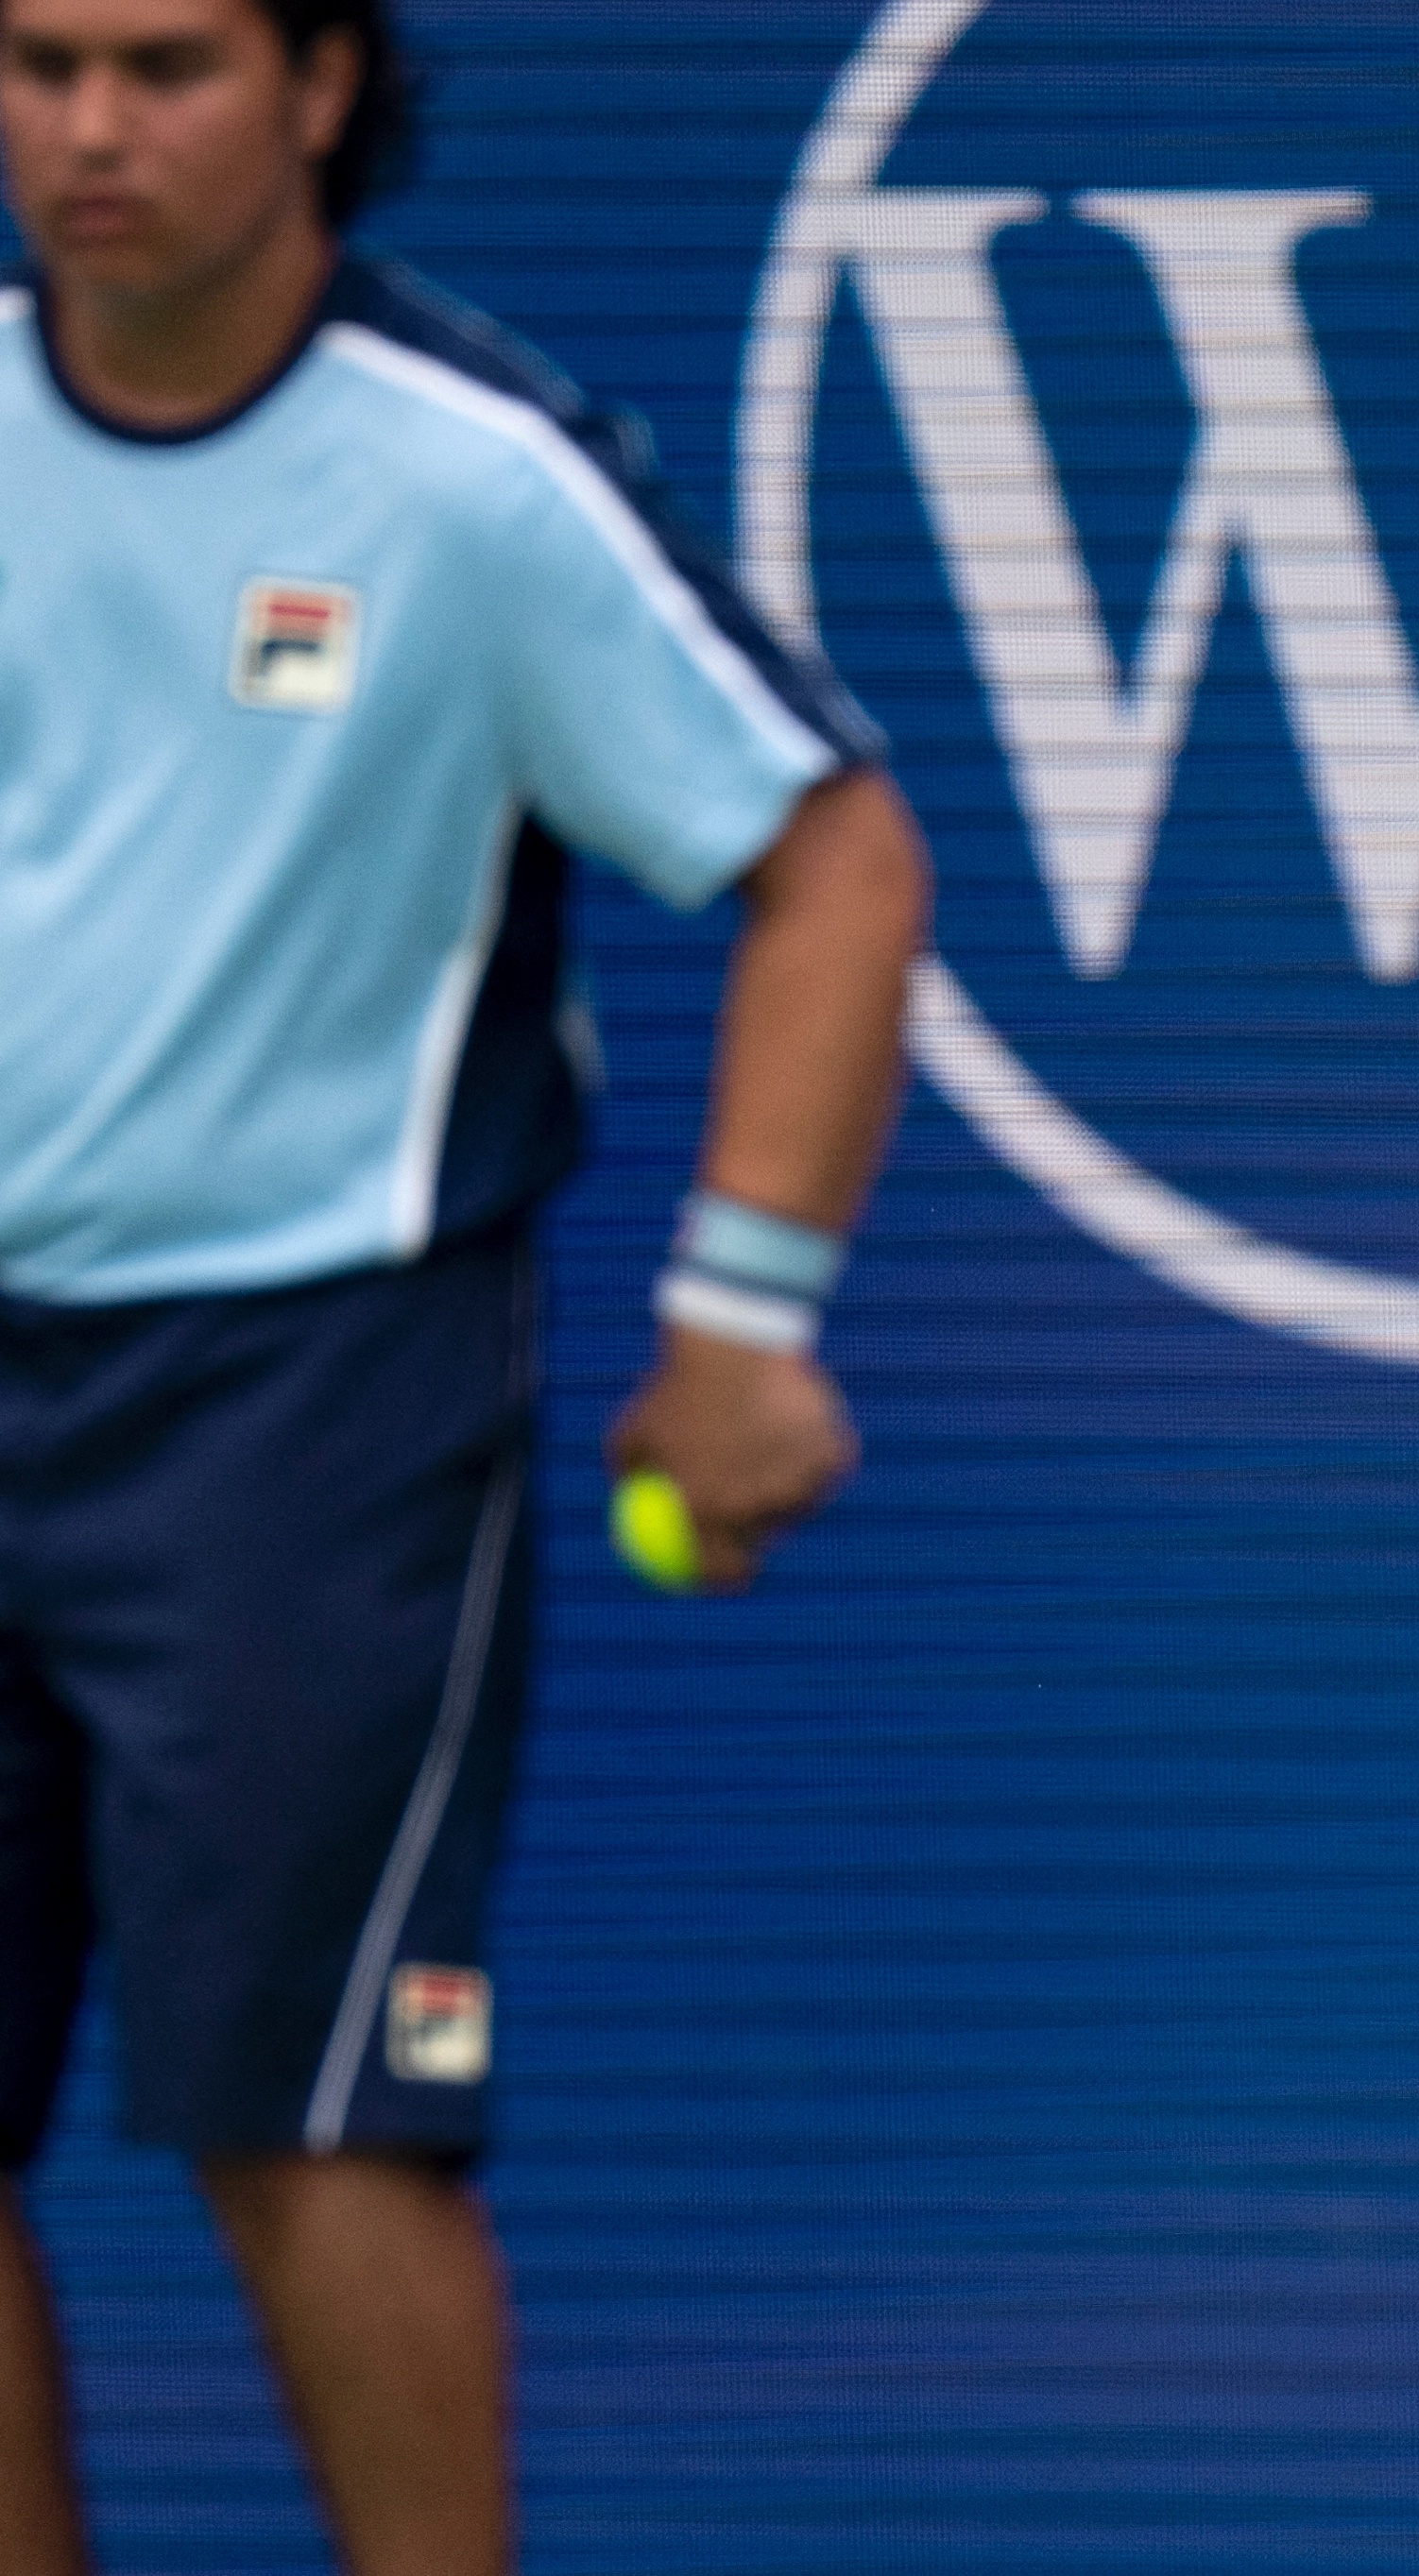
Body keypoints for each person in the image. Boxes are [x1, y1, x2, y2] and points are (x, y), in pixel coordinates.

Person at [0, 0, 928, 2565]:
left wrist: (741, 1318)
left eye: (164, 64)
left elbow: (831, 856)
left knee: (318, 2127)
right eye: (39, 60)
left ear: (316, 86)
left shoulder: (477, 477)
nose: (91, 126)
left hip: (307, 1403)